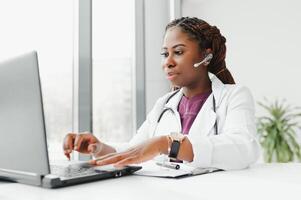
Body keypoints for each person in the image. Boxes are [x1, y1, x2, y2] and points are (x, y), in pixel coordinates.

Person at [63, 17, 260, 170]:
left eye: (179, 52)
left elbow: (243, 148)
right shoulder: (164, 103)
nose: (168, 62)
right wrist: (99, 148)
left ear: (206, 56)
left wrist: (167, 144)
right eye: (165, 54)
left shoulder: (234, 95)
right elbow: (134, 150)